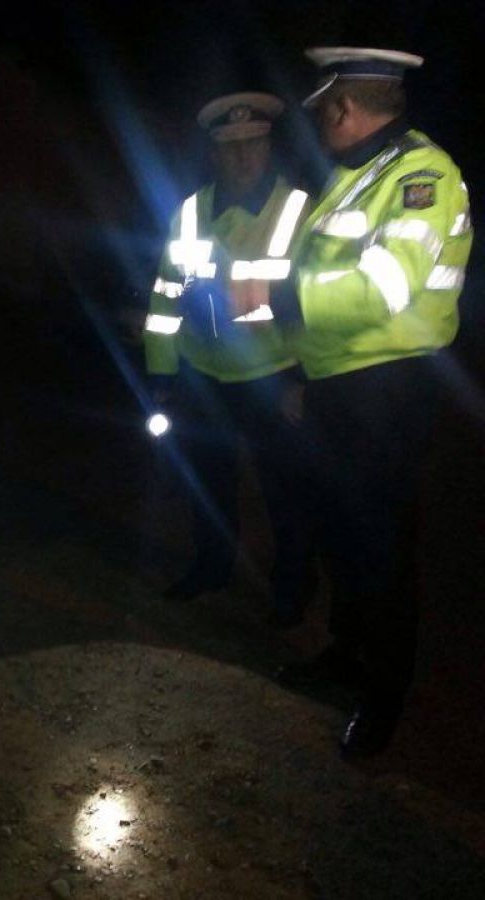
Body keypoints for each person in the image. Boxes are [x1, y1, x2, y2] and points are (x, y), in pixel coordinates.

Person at [233, 48, 473, 758]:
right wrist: (300, 373)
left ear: (342, 107)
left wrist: (273, 295)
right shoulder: (356, 174)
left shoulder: (424, 177)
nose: (320, 123)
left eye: (322, 110)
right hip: (338, 383)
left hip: (390, 392)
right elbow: (324, 272)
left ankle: (384, 696)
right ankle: (347, 653)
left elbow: (384, 289)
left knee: (382, 547)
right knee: (340, 531)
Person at [143, 93, 313, 624]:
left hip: (274, 377)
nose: (243, 157)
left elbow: (317, 302)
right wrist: (163, 374)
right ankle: (212, 565)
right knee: (208, 482)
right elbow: (165, 297)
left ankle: (291, 588)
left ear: (269, 147)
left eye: (254, 144)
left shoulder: (297, 210)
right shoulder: (189, 212)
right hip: (202, 375)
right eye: (230, 147)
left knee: (284, 492)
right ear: (214, 153)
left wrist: (305, 379)